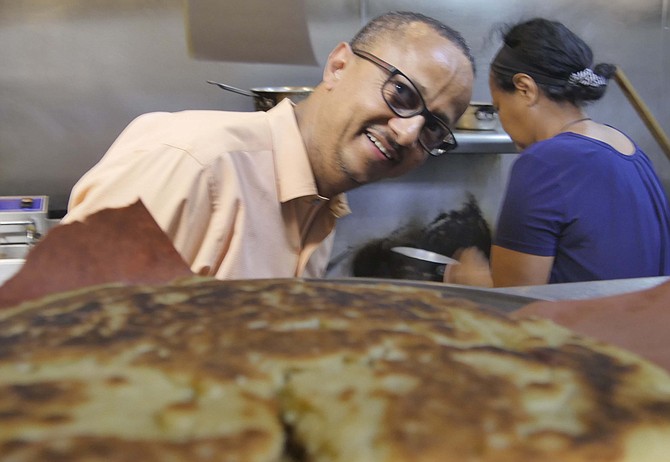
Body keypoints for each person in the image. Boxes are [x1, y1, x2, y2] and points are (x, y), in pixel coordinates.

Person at [61, 11, 475, 280]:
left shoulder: (319, 205)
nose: (407, 133)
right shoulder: (195, 165)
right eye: (401, 93)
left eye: (434, 127)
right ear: (339, 66)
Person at [446, 17, 670, 287]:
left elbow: (514, 296)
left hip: (582, 328)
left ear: (525, 89)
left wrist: (468, 276)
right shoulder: (627, 146)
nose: (502, 120)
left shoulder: (545, 162)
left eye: (499, 106)